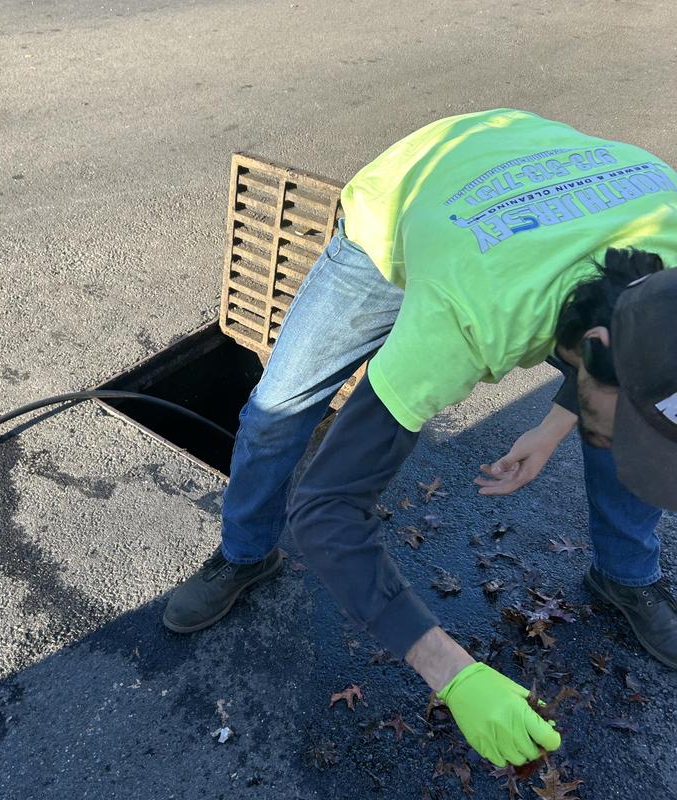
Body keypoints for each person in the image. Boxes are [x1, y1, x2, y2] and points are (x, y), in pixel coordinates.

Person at [162, 109, 677, 768]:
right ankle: (245, 553)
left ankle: (626, 576)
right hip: (406, 200)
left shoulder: (665, 257)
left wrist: (554, 427)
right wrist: (452, 672)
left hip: (533, 179)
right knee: (278, 409)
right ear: (597, 347)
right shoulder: (470, 315)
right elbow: (326, 508)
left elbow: (623, 365)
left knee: (631, 422)